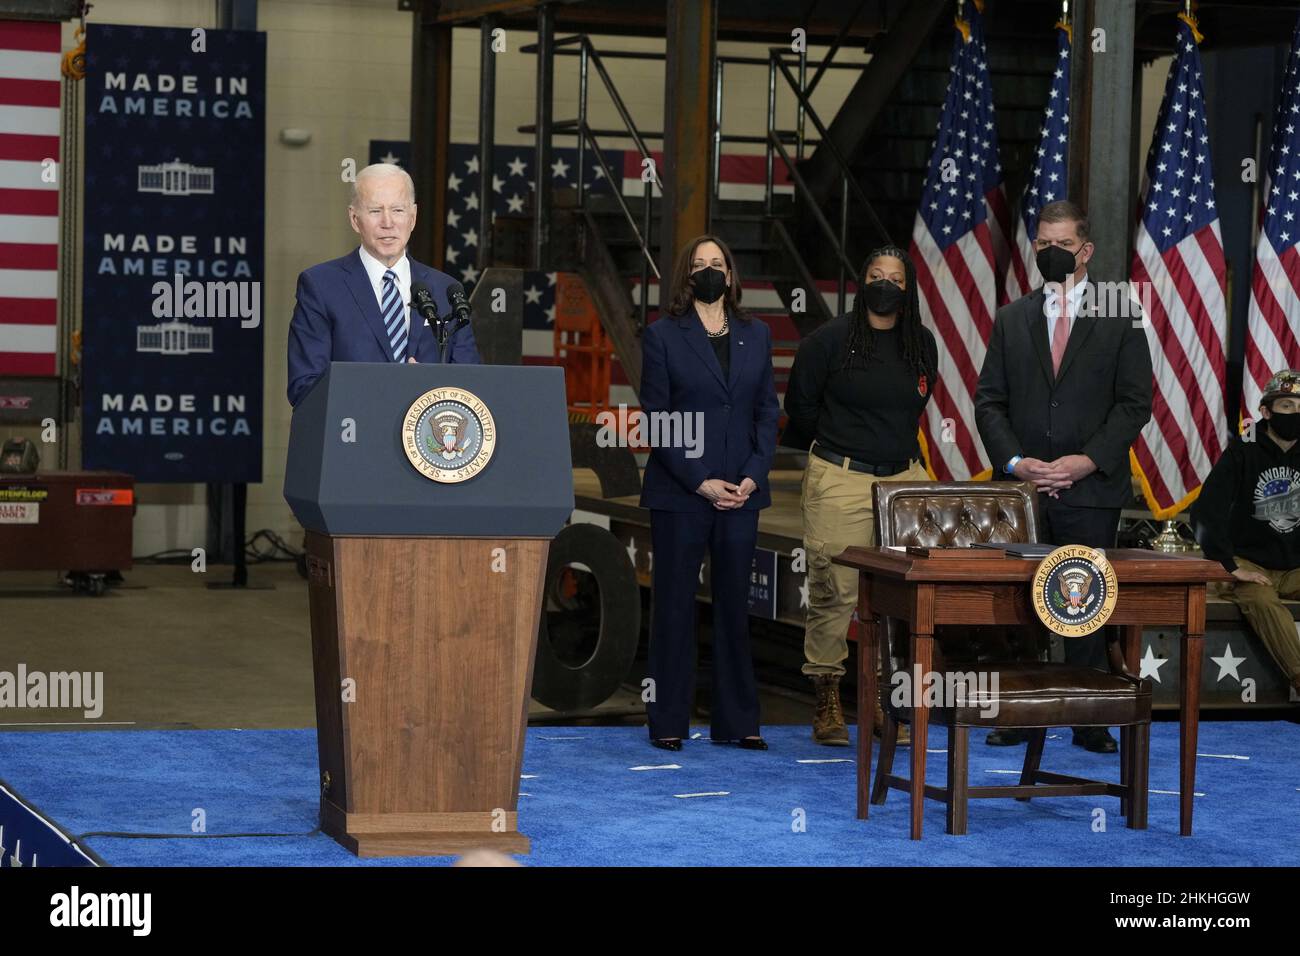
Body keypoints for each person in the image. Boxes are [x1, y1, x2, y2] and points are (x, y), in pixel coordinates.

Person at [974, 199, 1153, 753]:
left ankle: (1088, 717)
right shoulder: (1012, 317)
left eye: (1062, 246)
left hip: (1089, 488)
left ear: (1086, 250)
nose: (1051, 254)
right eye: (1043, 245)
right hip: (1023, 492)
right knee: (1019, 606)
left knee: (1083, 603)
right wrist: (1015, 463)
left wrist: (1087, 460)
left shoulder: (1121, 314)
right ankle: (1020, 713)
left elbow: (1134, 403)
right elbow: (989, 402)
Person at [784, 245, 938, 746]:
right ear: (861, 282)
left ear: (907, 289)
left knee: (904, 596)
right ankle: (828, 698)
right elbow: (800, 410)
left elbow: (916, 407)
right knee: (836, 591)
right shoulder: (827, 342)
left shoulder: (922, 344)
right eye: (876, 275)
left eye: (895, 279)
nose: (885, 285)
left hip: (905, 481)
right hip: (842, 478)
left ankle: (881, 702)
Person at [639, 235, 780, 752]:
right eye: (699, 265)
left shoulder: (756, 333)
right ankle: (669, 721)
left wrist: (752, 475)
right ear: (685, 276)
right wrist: (699, 479)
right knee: (675, 606)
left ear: (731, 273)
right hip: (682, 493)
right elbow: (658, 419)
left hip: (742, 492)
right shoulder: (662, 336)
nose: (710, 271)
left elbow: (766, 411)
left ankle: (738, 721)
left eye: (718, 263)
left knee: (734, 607)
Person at [287, 163, 479, 406]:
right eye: (375, 210)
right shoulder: (321, 286)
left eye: (398, 210)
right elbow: (304, 387)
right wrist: (390, 389)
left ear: (413, 217)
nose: (387, 223)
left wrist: (428, 389)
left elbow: (471, 386)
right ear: (355, 219)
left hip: (427, 439)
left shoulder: (447, 291)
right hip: (353, 437)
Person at [1191, 370, 1300, 694]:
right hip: (1250, 565)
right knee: (1263, 600)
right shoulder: (1243, 449)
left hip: (1295, 567)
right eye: (1286, 406)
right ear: (1266, 412)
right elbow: (1206, 512)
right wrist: (1229, 566)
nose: (1295, 414)